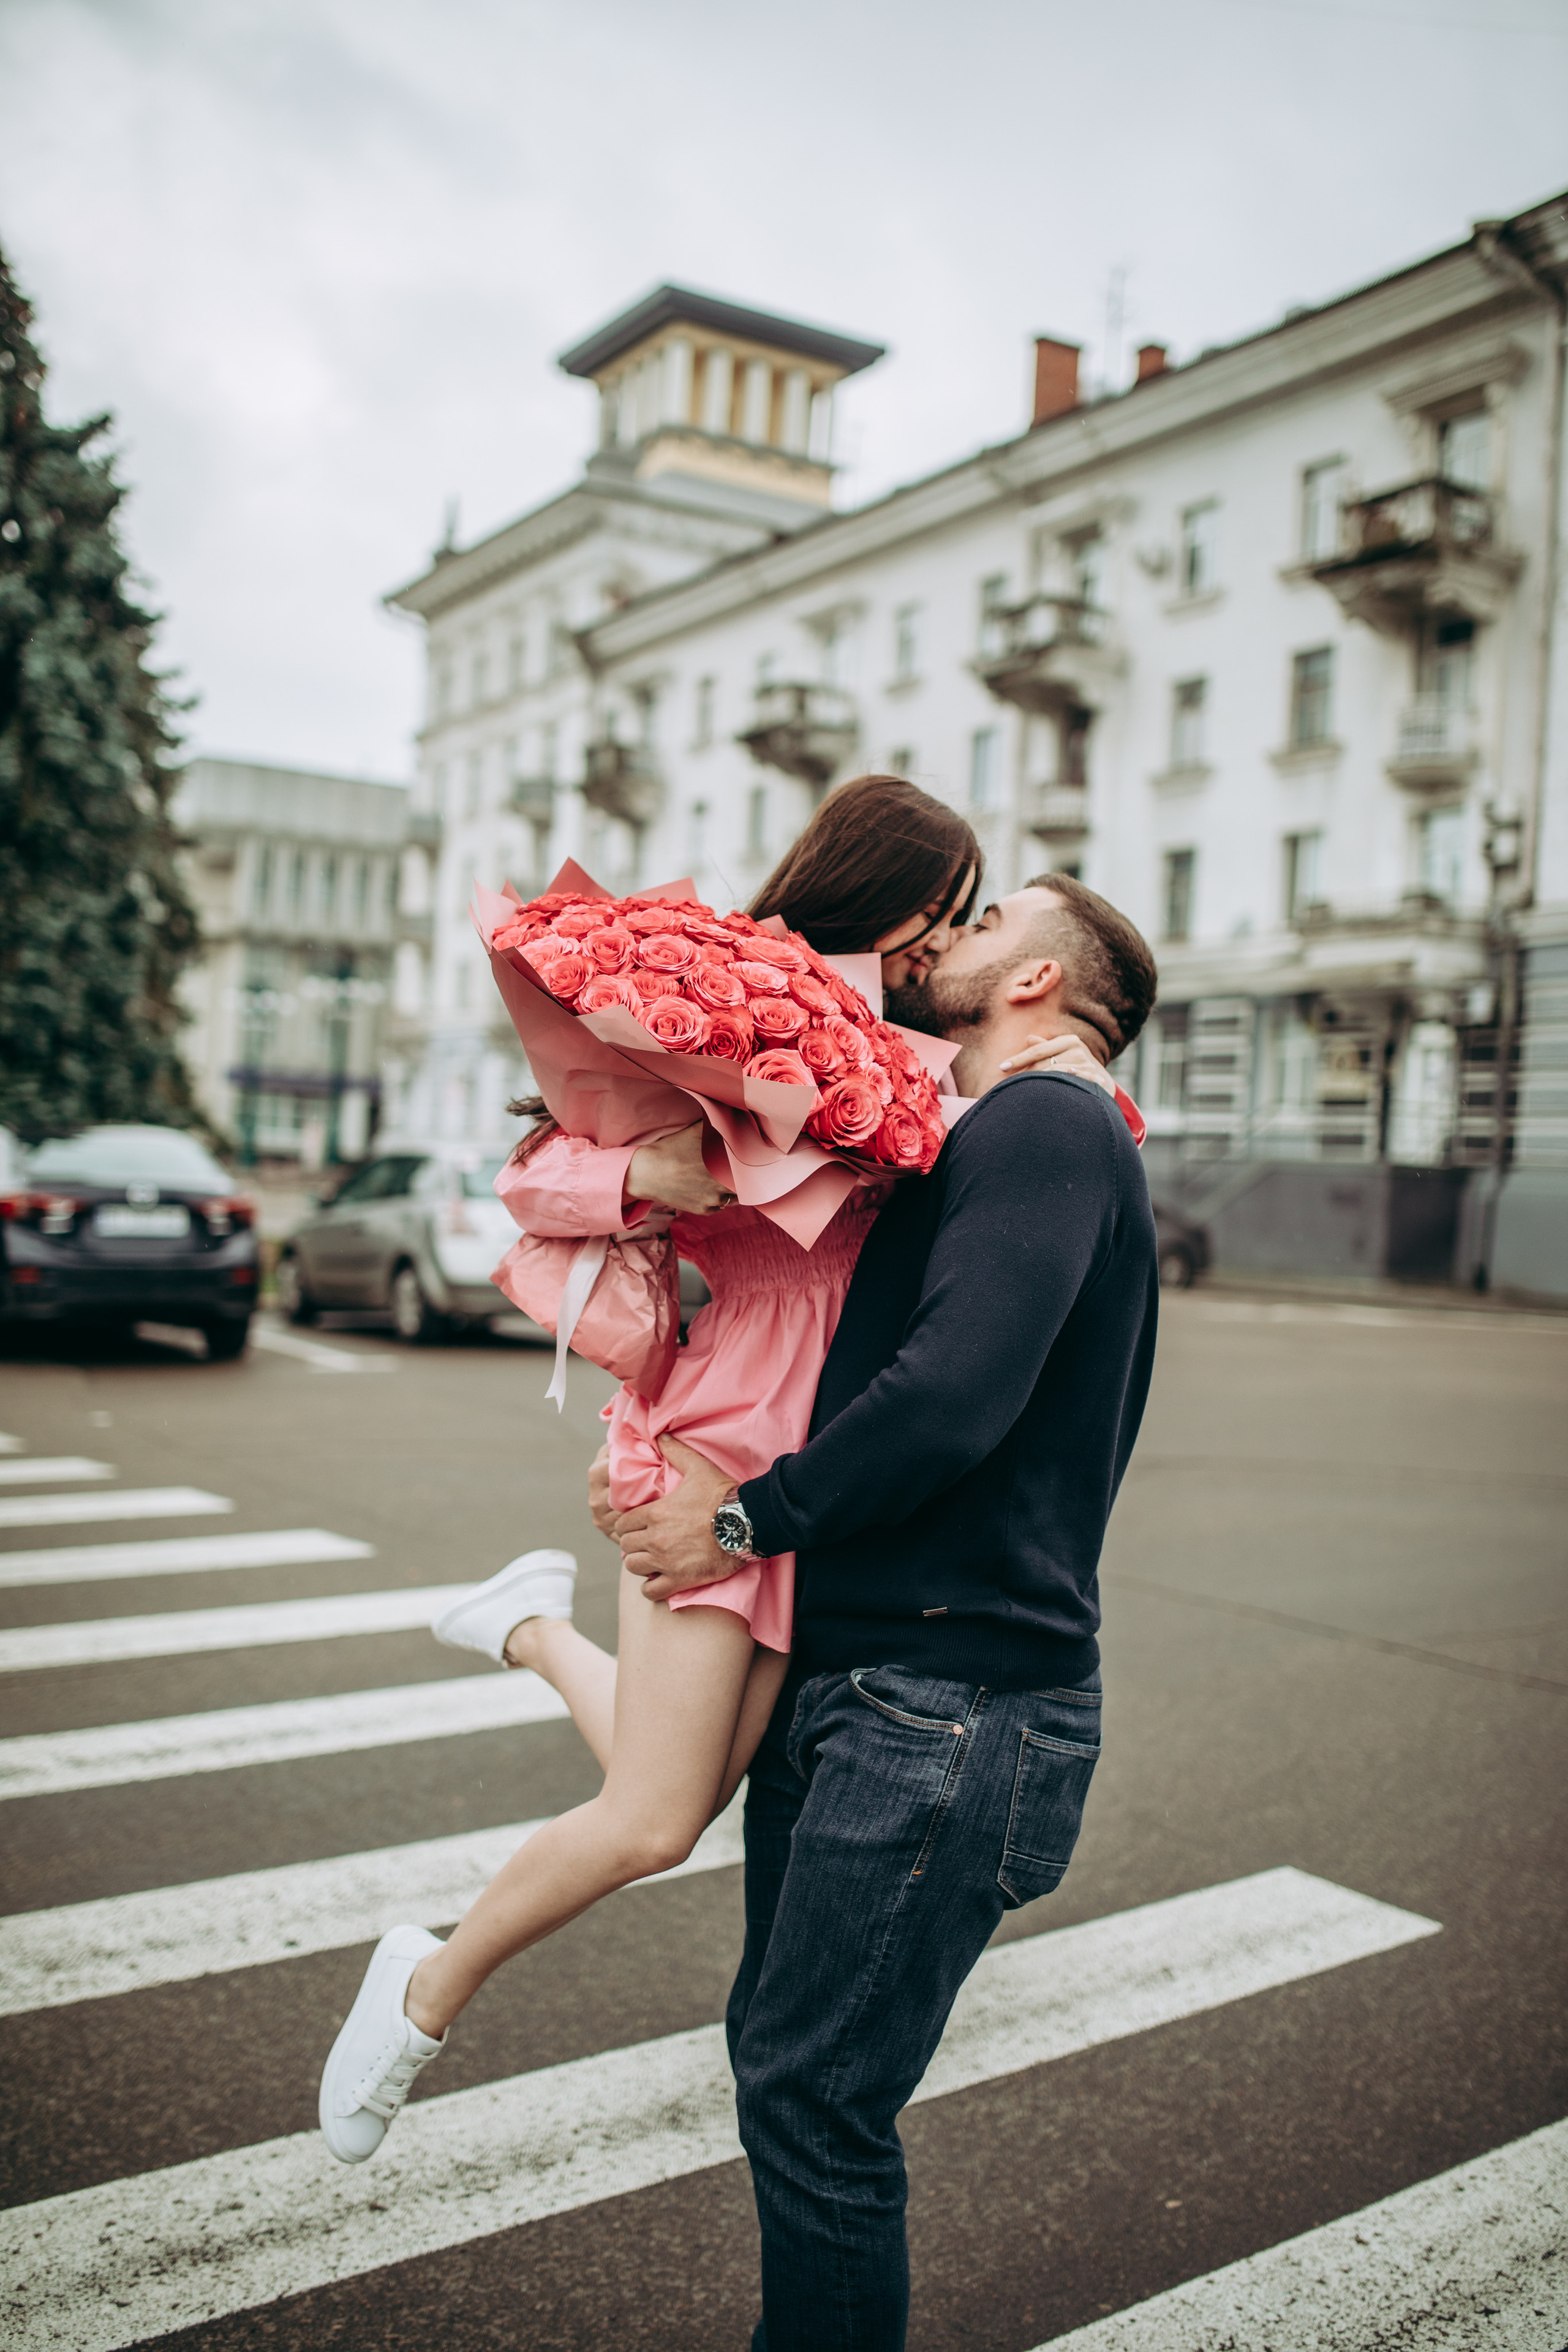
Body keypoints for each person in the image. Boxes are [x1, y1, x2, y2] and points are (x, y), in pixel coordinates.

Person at [614, 874, 1161, 2352]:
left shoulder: (1043, 1124)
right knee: (789, 2073)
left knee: (813, 2102)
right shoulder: (1004, 1132)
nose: (942, 945)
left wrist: (739, 1519)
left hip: (949, 1703)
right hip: (883, 1691)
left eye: (985, 928)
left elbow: (952, 1395)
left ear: (1038, 982)